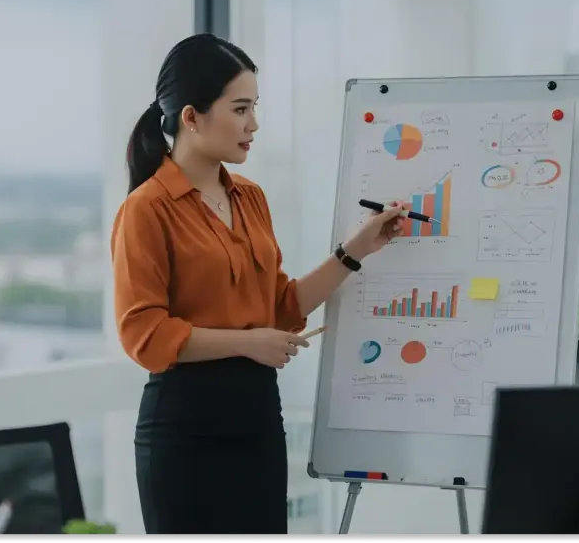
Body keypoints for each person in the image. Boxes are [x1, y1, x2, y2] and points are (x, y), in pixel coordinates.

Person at [110, 33, 405, 535]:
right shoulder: (146, 209)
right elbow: (144, 334)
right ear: (191, 117)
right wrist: (248, 343)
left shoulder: (250, 198)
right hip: (184, 434)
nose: (254, 124)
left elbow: (283, 306)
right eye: (240, 109)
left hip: (259, 420)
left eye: (255, 108)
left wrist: (356, 249)